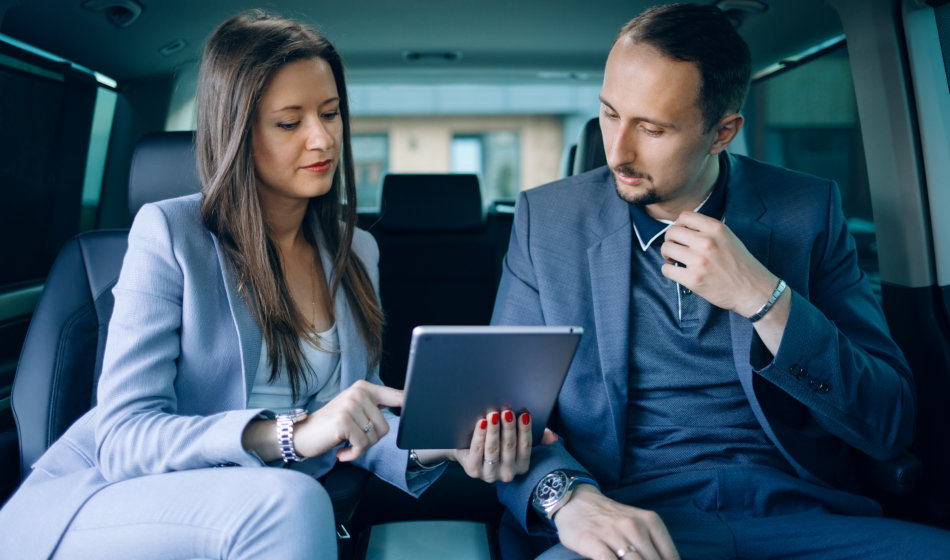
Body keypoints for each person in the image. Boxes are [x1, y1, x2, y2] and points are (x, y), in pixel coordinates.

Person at [0, 10, 541, 560]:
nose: (322, 138)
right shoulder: (168, 234)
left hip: (272, 507)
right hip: (119, 498)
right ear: (236, 130)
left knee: (296, 498)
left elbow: (354, 426)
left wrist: (440, 445)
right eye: (290, 122)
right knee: (292, 499)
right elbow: (124, 438)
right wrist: (290, 433)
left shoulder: (357, 251)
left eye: (331, 114)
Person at [490, 3, 950, 559]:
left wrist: (766, 299)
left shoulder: (808, 212)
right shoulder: (549, 223)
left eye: (652, 128)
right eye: (610, 114)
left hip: (803, 517)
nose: (618, 152)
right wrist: (570, 499)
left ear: (722, 132)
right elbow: (499, 420)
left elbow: (888, 424)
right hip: (628, 519)